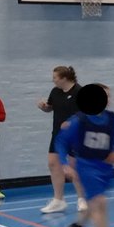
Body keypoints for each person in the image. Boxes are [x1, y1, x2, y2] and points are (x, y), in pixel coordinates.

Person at [57, 84, 114, 227]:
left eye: (108, 96)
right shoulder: (79, 121)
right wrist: (64, 165)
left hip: (104, 167)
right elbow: (61, 142)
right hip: (85, 166)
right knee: (100, 202)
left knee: (93, 204)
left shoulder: (112, 119)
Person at [37, 66, 84, 214]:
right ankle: (58, 200)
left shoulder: (79, 91)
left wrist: (72, 122)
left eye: (55, 77)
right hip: (58, 134)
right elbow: (50, 108)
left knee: (74, 166)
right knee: (53, 163)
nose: (53, 80)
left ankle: (82, 199)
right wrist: (44, 107)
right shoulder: (55, 92)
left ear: (64, 78)